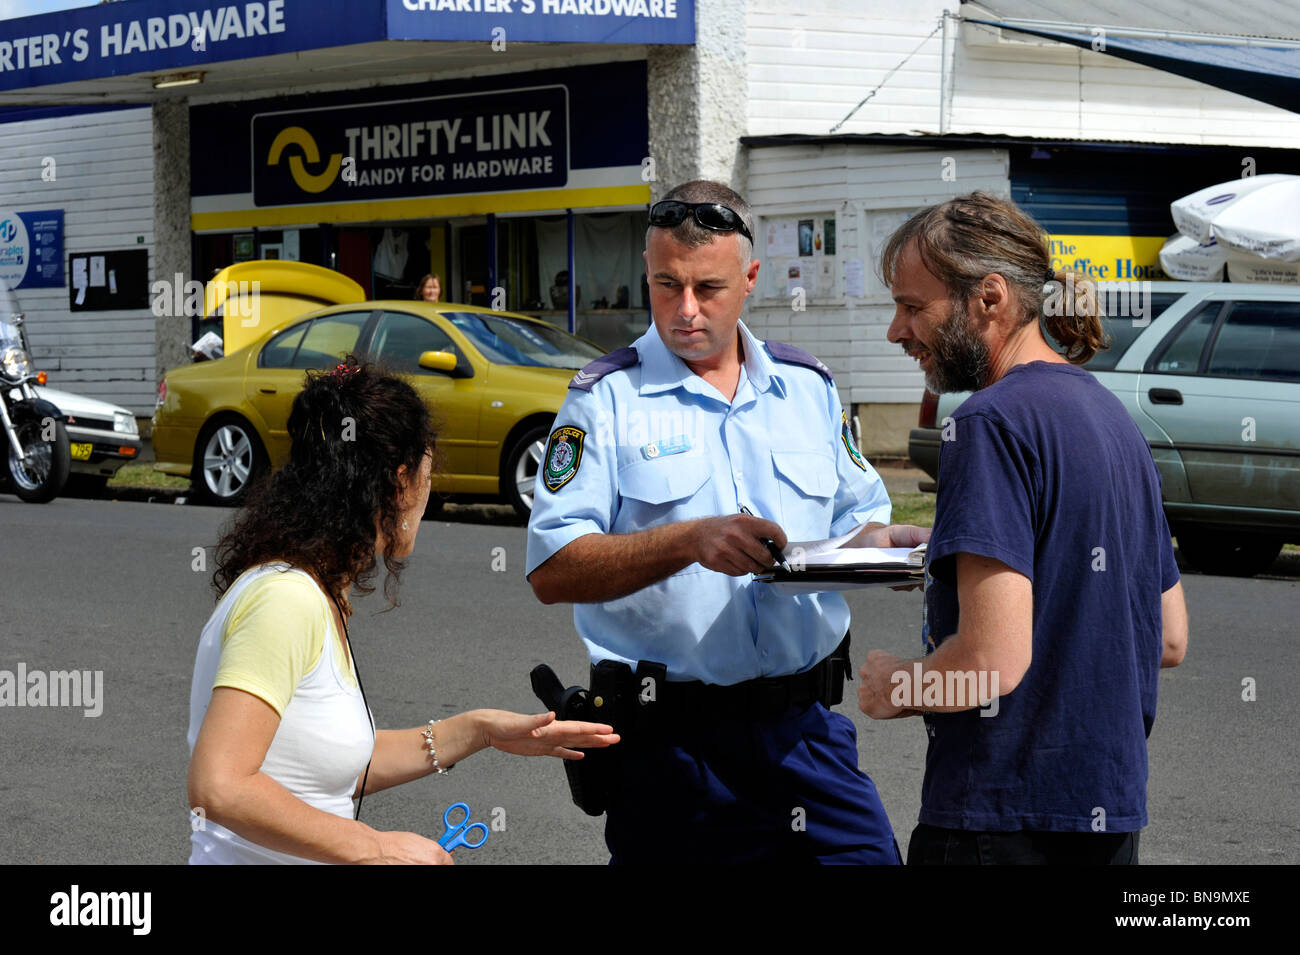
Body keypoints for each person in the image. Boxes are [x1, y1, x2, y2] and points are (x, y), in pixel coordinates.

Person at [525, 180, 927, 864]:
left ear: (750, 278)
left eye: (707, 287)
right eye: (664, 285)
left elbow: (858, 525)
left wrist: (893, 549)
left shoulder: (808, 388)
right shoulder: (606, 398)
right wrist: (689, 540)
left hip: (805, 737)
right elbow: (552, 568)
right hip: (668, 749)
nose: (684, 310)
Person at [857, 192, 1188, 865]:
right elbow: (1168, 635)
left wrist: (898, 687)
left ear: (990, 297)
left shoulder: (989, 423)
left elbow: (988, 664)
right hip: (1106, 817)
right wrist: (941, 550)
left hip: (997, 820)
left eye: (913, 306)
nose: (897, 331)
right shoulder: (1114, 420)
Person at [186, 358, 617, 865]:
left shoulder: (310, 592)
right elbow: (220, 785)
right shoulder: (286, 600)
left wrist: (482, 730)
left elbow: (332, 762)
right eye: (426, 476)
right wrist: (378, 847)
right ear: (397, 484)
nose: (426, 500)